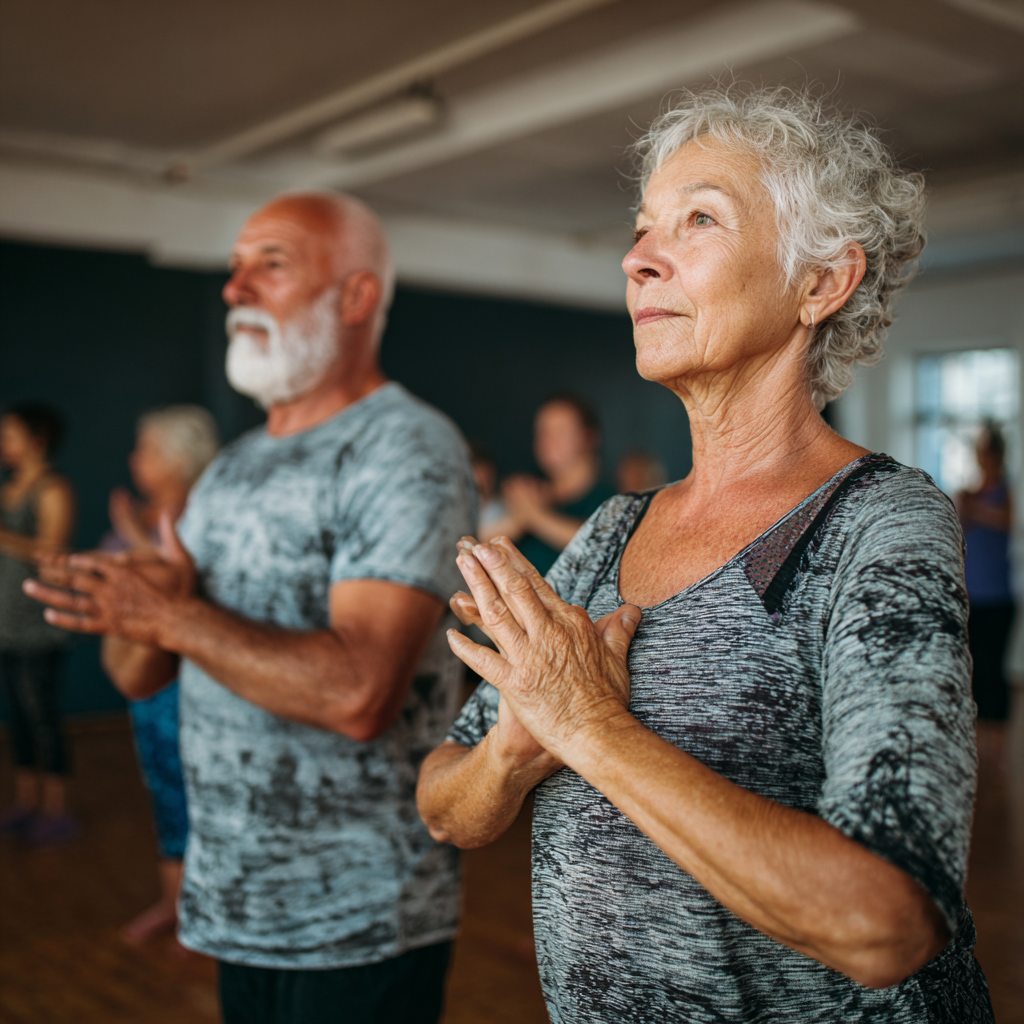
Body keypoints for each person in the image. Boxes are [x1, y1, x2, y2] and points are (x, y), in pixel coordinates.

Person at [417, 84, 993, 1022]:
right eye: (643, 228)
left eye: (699, 220)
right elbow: (445, 802)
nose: (638, 258)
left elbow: (888, 923)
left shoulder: (878, 520)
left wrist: (588, 726)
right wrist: (520, 745)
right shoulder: (611, 530)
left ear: (821, 283)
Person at [26, 192, 476, 1024]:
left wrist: (173, 616)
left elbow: (360, 694)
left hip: (360, 919)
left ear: (356, 295)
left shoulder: (404, 446)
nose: (235, 289)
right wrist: (137, 609)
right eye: (234, 268)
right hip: (235, 905)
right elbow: (139, 675)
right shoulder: (231, 468)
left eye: (271, 264)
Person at [100, 405, 219, 944]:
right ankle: (173, 901)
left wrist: (134, 536)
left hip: (192, 678)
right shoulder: (145, 511)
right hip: (140, 673)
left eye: (146, 450)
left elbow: (188, 588)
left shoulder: (206, 513)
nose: (134, 460)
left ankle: (204, 911)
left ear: (178, 459)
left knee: (197, 789)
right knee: (163, 785)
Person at [0, 403, 77, 846]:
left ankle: (57, 810)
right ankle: (26, 802)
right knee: (18, 720)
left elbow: (50, 550)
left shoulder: (53, 489)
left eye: (10, 434)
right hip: (6, 623)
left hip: (40, 623)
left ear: (38, 439)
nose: (3, 442)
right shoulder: (7, 488)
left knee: (43, 717)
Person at [486, 394, 615, 575]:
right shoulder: (529, 495)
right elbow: (475, 545)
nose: (549, 440)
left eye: (561, 430)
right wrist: (518, 517)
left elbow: (602, 545)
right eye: (542, 431)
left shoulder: (611, 500)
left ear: (590, 437)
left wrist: (534, 515)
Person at [957, 422, 1015, 770]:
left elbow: (1007, 521)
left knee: (995, 670)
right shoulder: (972, 493)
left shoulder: (1006, 490)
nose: (982, 458)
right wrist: (964, 506)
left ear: (995, 454)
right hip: (972, 598)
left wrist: (973, 506)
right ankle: (980, 738)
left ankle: (999, 742)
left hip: (999, 598)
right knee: (976, 670)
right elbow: (962, 532)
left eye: (985, 451)